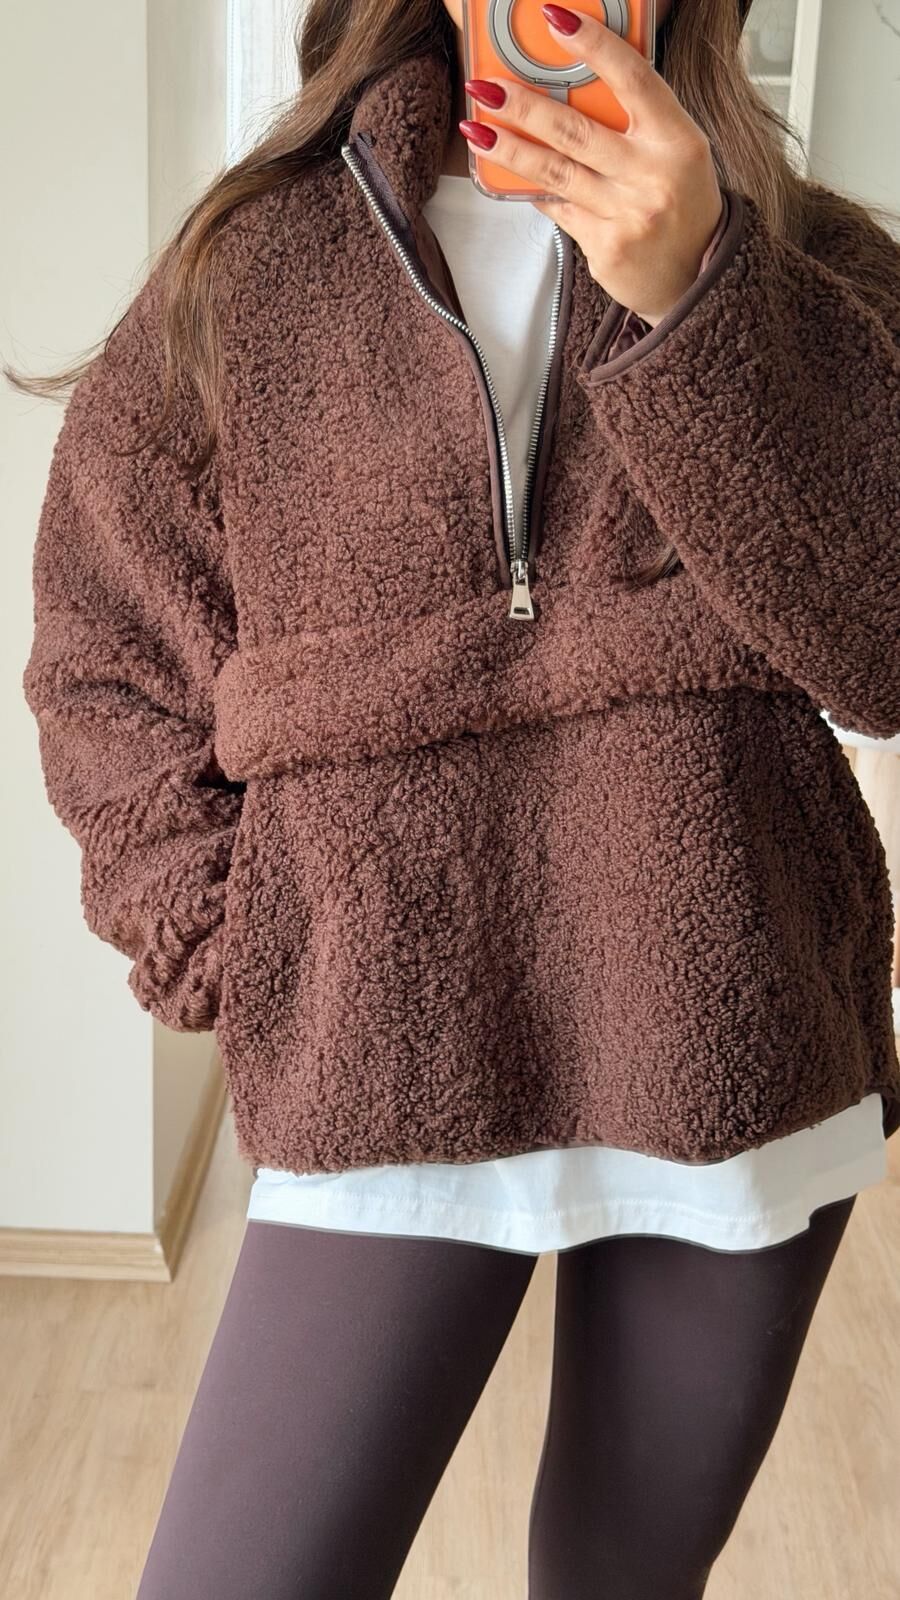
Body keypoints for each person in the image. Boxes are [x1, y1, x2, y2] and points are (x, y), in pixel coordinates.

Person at [14, 0, 900, 1595]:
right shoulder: (256, 266)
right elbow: (108, 651)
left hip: (730, 1026)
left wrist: (704, 297)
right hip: (384, 1036)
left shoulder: (814, 266)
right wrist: (238, 946)